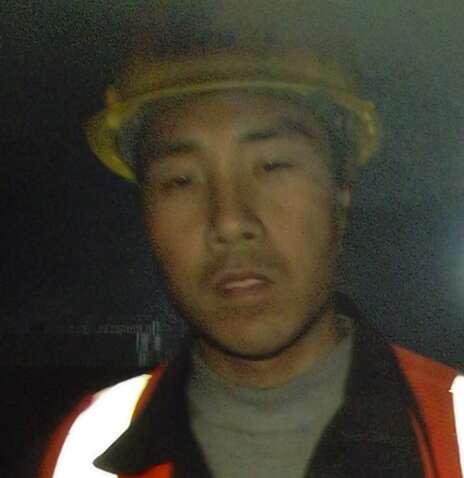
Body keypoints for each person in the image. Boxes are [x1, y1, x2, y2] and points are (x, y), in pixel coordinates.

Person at [39, 26, 464, 478]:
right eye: (180, 180)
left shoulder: (456, 430)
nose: (229, 221)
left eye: (273, 165)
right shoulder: (90, 448)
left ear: (341, 190)